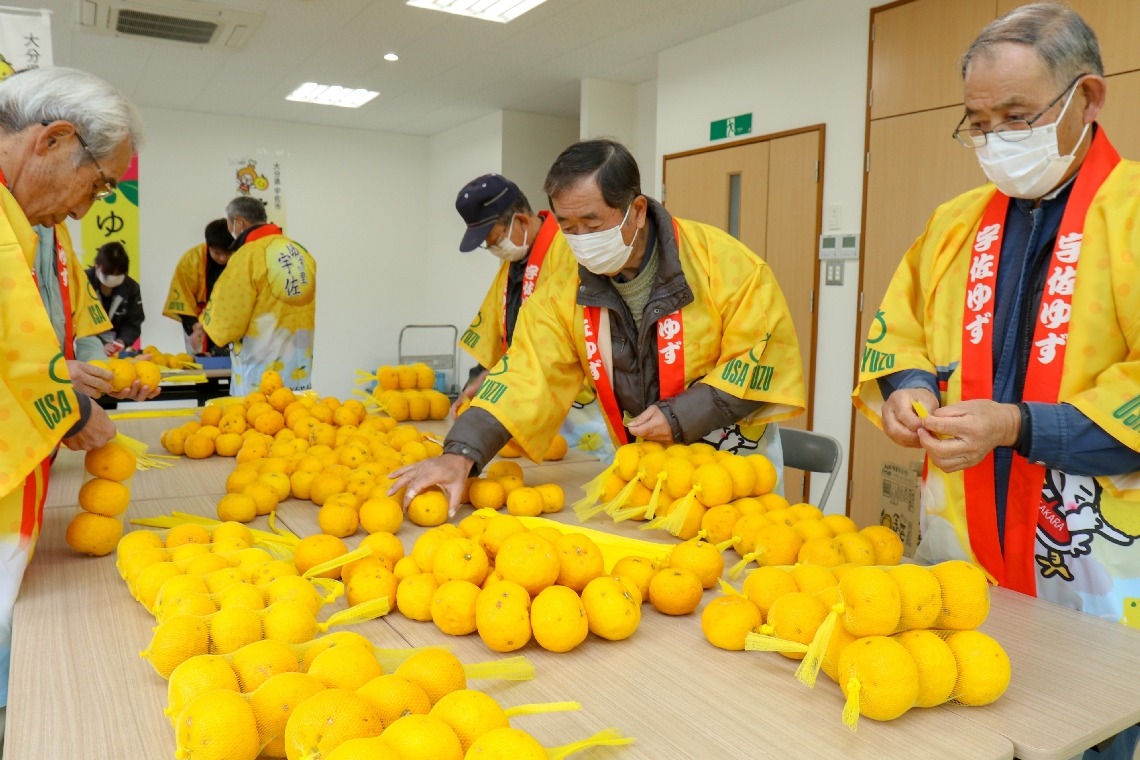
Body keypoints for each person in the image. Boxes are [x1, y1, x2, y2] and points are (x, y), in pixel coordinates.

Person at [854, 5, 1140, 626]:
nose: (997, 140)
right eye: (979, 123)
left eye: (1016, 117)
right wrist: (909, 387)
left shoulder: (1133, 213)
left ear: (1087, 98)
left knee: (1088, 716)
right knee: (952, 684)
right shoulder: (954, 222)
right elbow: (900, 330)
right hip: (958, 531)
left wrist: (1016, 425)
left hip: (1094, 547)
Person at [392, 139, 806, 515]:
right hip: (642, 479)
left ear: (637, 211)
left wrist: (681, 415)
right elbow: (527, 373)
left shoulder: (727, 265)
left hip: (729, 477)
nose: (581, 241)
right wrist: (462, 451)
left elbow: (760, 358)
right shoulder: (563, 288)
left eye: (592, 225)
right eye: (568, 229)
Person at [0, 65, 138, 741]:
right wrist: (71, 410)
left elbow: (28, 341)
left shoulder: (23, 221)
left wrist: (70, 388)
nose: (88, 208)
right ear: (51, 141)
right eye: (99, 183)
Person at [452, 175, 574, 416]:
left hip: (572, 402)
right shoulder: (511, 266)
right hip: (527, 399)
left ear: (521, 221)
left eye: (496, 240)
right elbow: (498, 342)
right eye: (489, 245)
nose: (496, 250)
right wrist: (478, 383)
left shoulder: (568, 252)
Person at [201, 196, 316, 395]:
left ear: (238, 222)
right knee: (294, 417)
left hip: (260, 370)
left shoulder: (247, 256)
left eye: (230, 226)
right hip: (298, 365)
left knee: (259, 420)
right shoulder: (299, 251)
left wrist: (206, 323)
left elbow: (226, 324)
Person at [163, 218, 234, 356]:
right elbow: (182, 297)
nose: (223, 259)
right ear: (208, 245)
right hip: (198, 321)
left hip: (230, 321)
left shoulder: (240, 258)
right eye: (217, 253)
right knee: (201, 367)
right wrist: (195, 326)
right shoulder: (191, 260)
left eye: (227, 253)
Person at [85, 242, 145, 358]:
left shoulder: (131, 288)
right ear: (97, 265)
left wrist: (122, 341)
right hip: (85, 347)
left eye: (118, 275)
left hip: (115, 351)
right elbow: (76, 320)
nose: (113, 278)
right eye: (109, 273)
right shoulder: (82, 282)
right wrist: (98, 343)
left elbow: (134, 322)